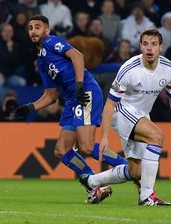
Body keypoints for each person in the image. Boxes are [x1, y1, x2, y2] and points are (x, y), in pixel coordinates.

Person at [11, 14, 127, 202]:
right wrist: (29, 108)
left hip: (86, 92)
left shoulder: (51, 42)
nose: (33, 31)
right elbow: (51, 95)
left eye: (38, 27)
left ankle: (128, 167)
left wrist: (80, 84)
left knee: (87, 146)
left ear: (46, 30)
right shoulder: (41, 61)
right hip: (73, 100)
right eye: (30, 28)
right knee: (62, 150)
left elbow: (77, 55)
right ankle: (95, 184)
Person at [83, 29, 171, 206]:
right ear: (140, 46)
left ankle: (91, 182)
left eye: (154, 44)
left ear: (161, 47)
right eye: (145, 44)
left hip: (141, 115)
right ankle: (147, 196)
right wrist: (104, 136)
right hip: (121, 111)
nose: (149, 48)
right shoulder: (129, 69)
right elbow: (110, 104)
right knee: (157, 136)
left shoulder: (169, 70)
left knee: (136, 172)